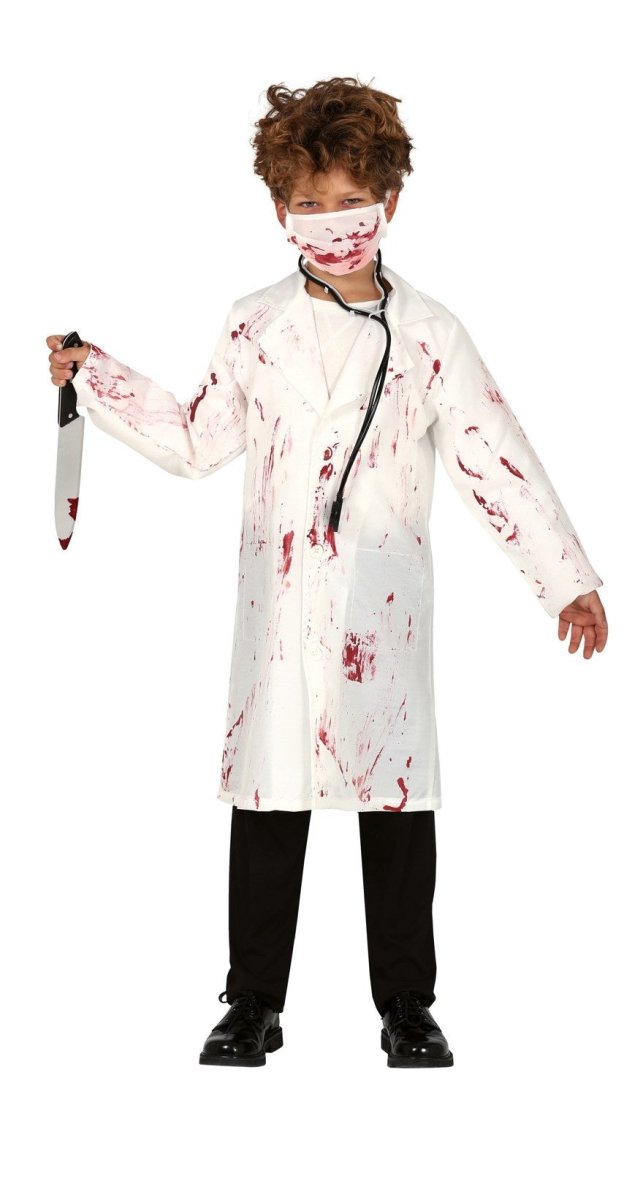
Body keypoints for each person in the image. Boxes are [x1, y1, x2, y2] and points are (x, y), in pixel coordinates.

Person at [46, 75, 608, 1070]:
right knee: (268, 803)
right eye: (308, 202)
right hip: (278, 612)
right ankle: (251, 1003)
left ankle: (408, 1007)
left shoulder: (428, 333)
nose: (330, 219)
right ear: (279, 209)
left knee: (396, 810)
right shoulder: (252, 324)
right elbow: (194, 441)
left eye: (349, 199)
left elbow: (492, 454)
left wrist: (564, 576)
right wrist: (96, 373)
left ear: (389, 201)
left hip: (380, 613)